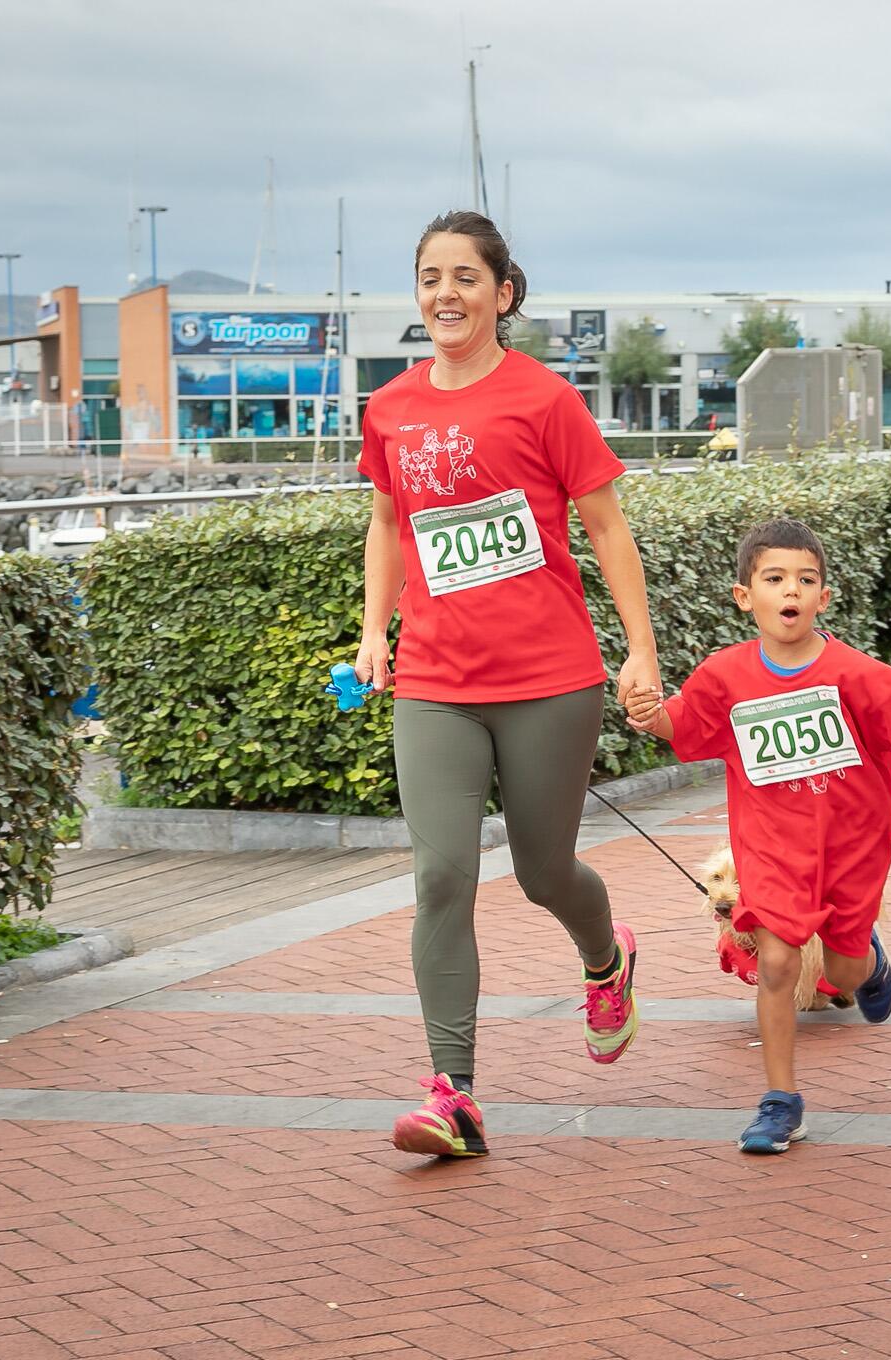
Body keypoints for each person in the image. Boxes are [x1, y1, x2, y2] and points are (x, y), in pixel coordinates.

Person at [357, 210, 661, 1159]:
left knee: (540, 871)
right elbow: (387, 524)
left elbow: (608, 529)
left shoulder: (544, 400)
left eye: (465, 278)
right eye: (428, 277)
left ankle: (605, 956)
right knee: (442, 873)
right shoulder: (393, 407)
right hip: (434, 681)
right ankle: (455, 1094)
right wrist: (374, 629)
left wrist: (642, 651)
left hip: (549, 679)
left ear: (504, 293)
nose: (444, 294)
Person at [624, 518, 891, 1153]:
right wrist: (652, 716)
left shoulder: (856, 673)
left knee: (841, 965)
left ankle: (869, 963)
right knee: (778, 962)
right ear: (743, 595)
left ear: (824, 597)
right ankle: (780, 1102)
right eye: (775, 578)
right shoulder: (725, 674)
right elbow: (687, 723)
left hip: (853, 844)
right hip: (771, 847)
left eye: (806, 580)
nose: (792, 591)